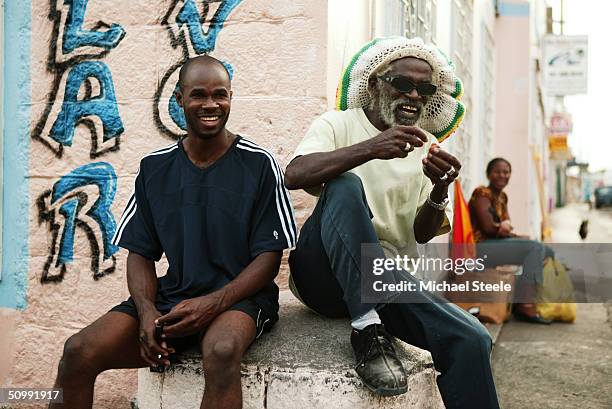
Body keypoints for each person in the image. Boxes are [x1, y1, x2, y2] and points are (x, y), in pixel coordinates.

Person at [50, 55, 297, 409]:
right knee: (78, 351)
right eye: (198, 95)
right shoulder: (155, 168)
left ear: (230, 97)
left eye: (220, 95)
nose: (210, 104)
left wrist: (214, 303)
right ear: (179, 99)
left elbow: (270, 258)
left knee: (222, 350)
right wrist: (147, 311)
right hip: (175, 297)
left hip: (241, 298)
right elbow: (140, 252)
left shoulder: (258, 163)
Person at [284, 37, 499, 409]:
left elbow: (421, 232)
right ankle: (367, 328)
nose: (414, 95)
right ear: (374, 85)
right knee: (345, 184)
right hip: (323, 276)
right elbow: (295, 173)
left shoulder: (426, 143)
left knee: (473, 339)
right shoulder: (338, 124)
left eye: (424, 88)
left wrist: (439, 190)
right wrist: (370, 148)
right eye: (403, 84)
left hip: (385, 279)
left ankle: (373, 312)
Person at [469, 157, 553, 324]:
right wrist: (503, 227)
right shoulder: (482, 193)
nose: (502, 175)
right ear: (488, 174)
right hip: (479, 248)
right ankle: (525, 305)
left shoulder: (502, 197)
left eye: (506, 172)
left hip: (494, 245)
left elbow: (503, 231)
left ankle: (524, 298)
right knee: (534, 248)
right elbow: (488, 228)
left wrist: (517, 236)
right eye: (497, 171)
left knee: (545, 249)